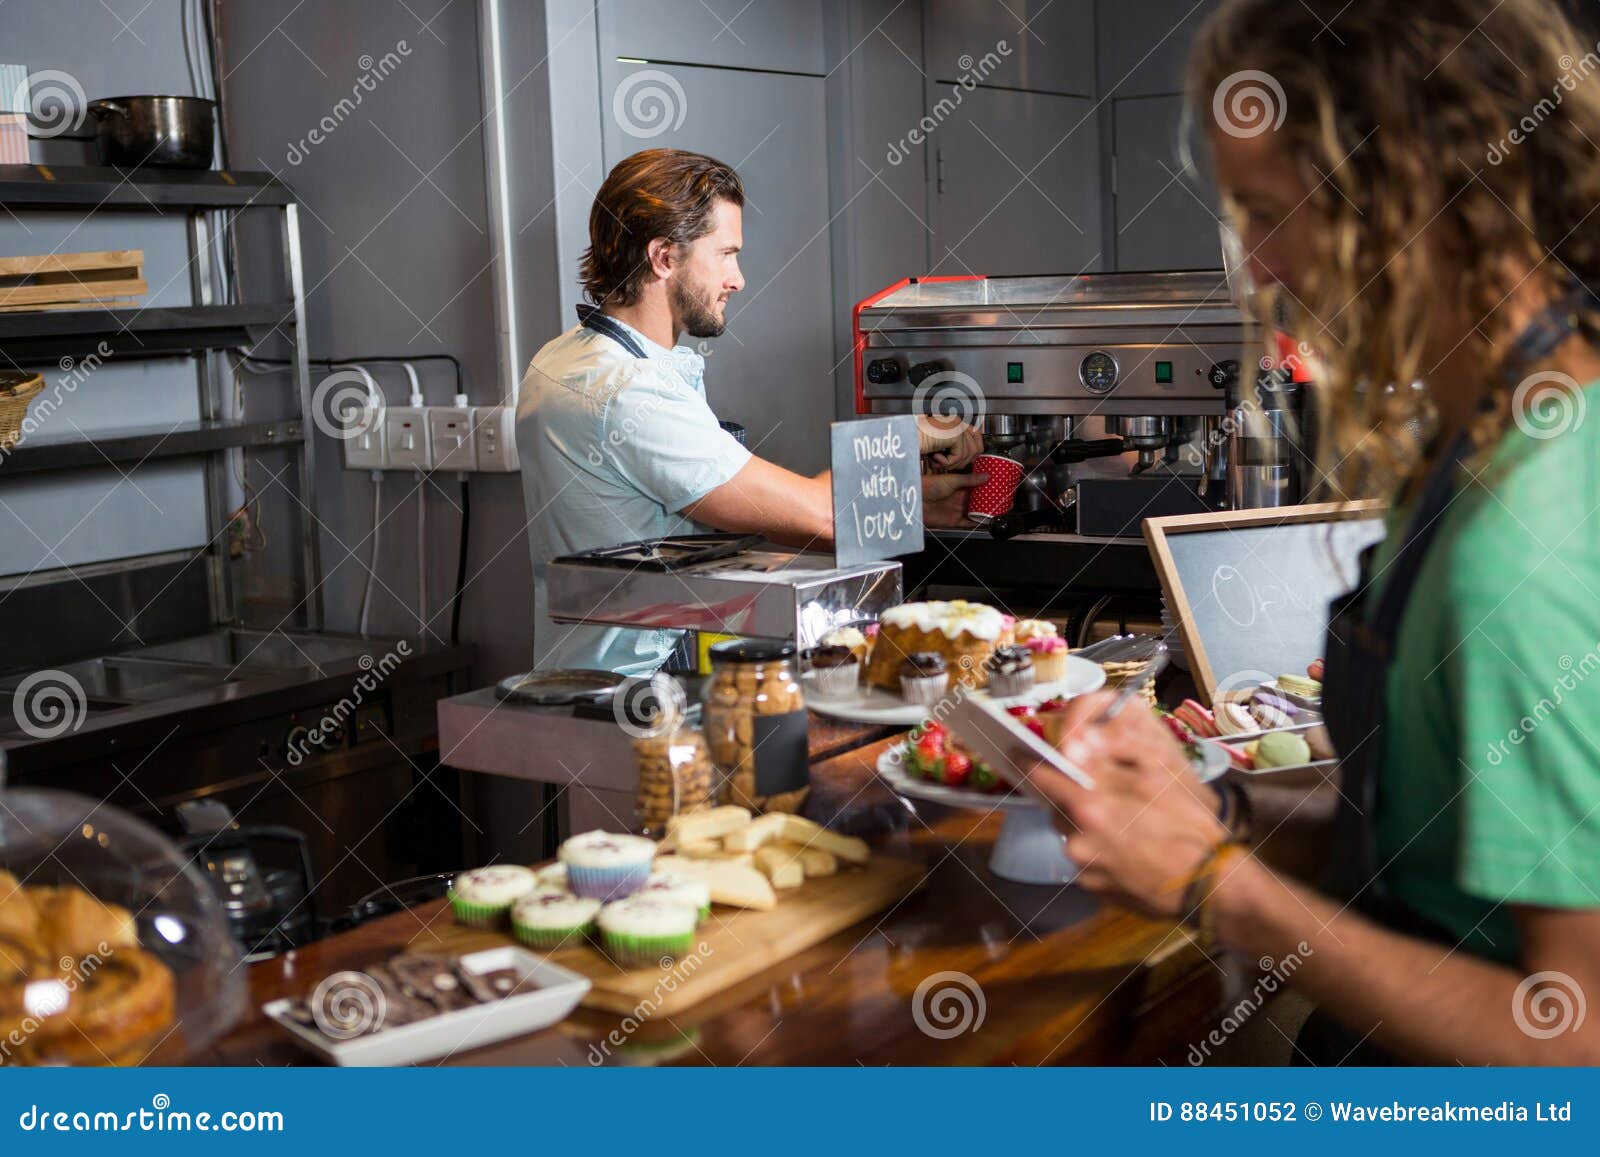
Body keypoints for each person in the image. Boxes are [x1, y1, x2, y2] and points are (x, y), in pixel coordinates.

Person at [1028, 0, 1600, 1064]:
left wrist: (1216, 887)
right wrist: (1219, 806)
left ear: (1410, 192)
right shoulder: (1504, 428)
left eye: (1267, 211)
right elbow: (1429, 848)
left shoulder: (1523, 545)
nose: (1254, 267)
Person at [516, 149, 984, 674]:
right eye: (725, 254)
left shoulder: (568, 357)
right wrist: (914, 435)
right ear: (664, 258)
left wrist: (911, 500)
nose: (738, 279)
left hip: (592, 664)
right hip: (644, 684)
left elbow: (747, 513)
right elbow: (818, 514)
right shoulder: (628, 390)